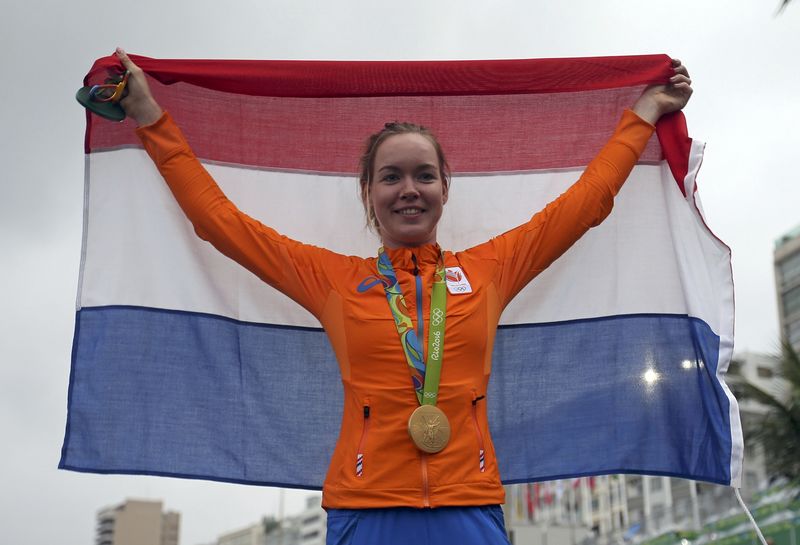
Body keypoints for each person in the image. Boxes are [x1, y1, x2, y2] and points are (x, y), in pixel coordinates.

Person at [113, 48, 692, 545]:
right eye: (391, 177)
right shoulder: (334, 281)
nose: (408, 190)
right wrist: (148, 116)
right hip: (365, 511)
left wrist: (643, 114)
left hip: (469, 505)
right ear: (368, 193)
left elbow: (584, 203)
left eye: (423, 175)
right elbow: (221, 223)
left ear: (445, 187)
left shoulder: (490, 270)